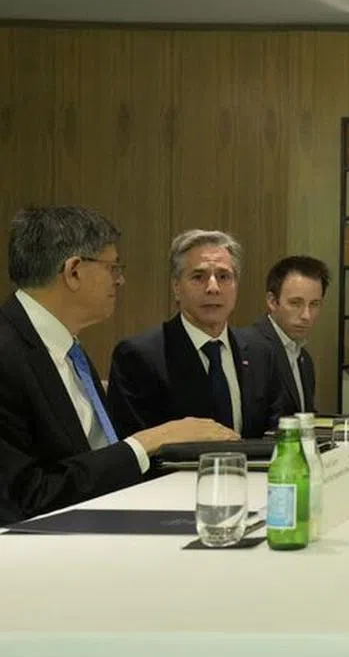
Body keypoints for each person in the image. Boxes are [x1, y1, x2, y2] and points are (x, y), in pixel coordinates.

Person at [0, 207, 235, 524]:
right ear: (74, 272)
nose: (120, 279)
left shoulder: (69, 350)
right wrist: (147, 442)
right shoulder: (8, 352)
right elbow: (24, 498)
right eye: (113, 267)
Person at [107, 230, 285, 439]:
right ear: (177, 287)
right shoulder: (138, 357)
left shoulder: (260, 352)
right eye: (199, 277)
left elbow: (275, 436)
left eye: (224, 277)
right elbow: (134, 446)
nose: (213, 288)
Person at [246, 255, 329, 415]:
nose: (306, 315)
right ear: (272, 301)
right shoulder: (250, 349)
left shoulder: (304, 359)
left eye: (314, 304)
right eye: (296, 303)